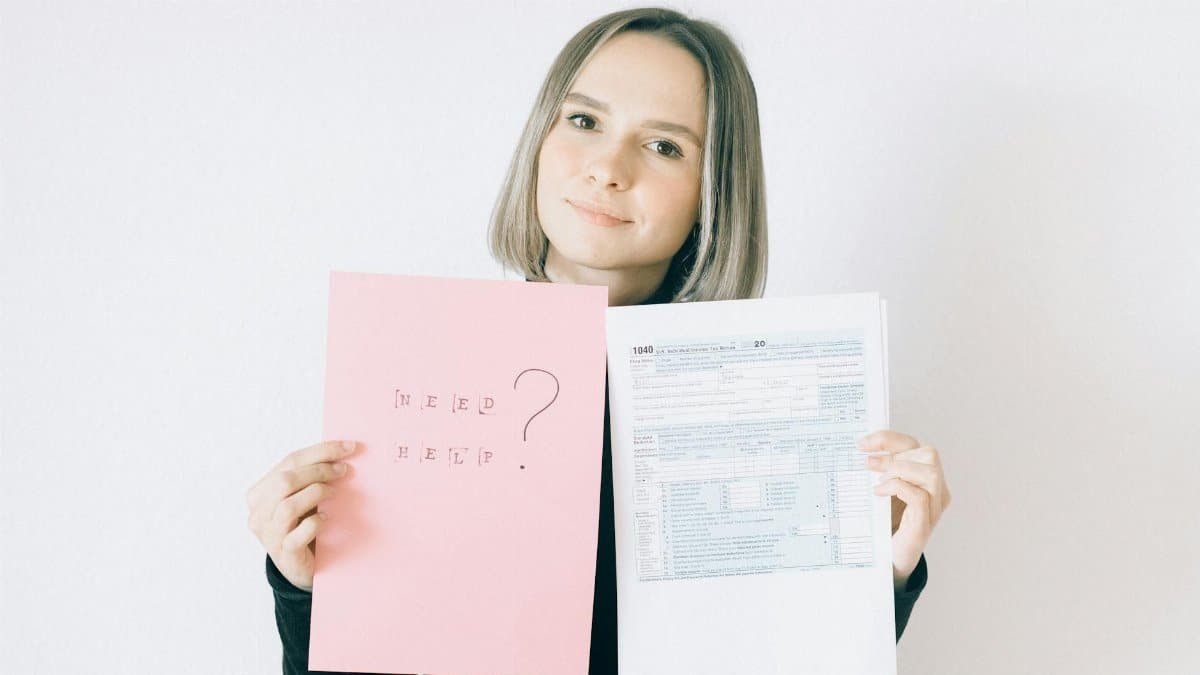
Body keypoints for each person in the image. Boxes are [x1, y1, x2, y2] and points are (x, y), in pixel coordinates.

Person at [245, 7, 951, 674]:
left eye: (664, 145)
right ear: (541, 141)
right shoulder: (424, 378)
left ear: (713, 191)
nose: (610, 168)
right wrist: (308, 588)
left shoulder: (770, 411)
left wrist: (874, 575)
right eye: (584, 120)